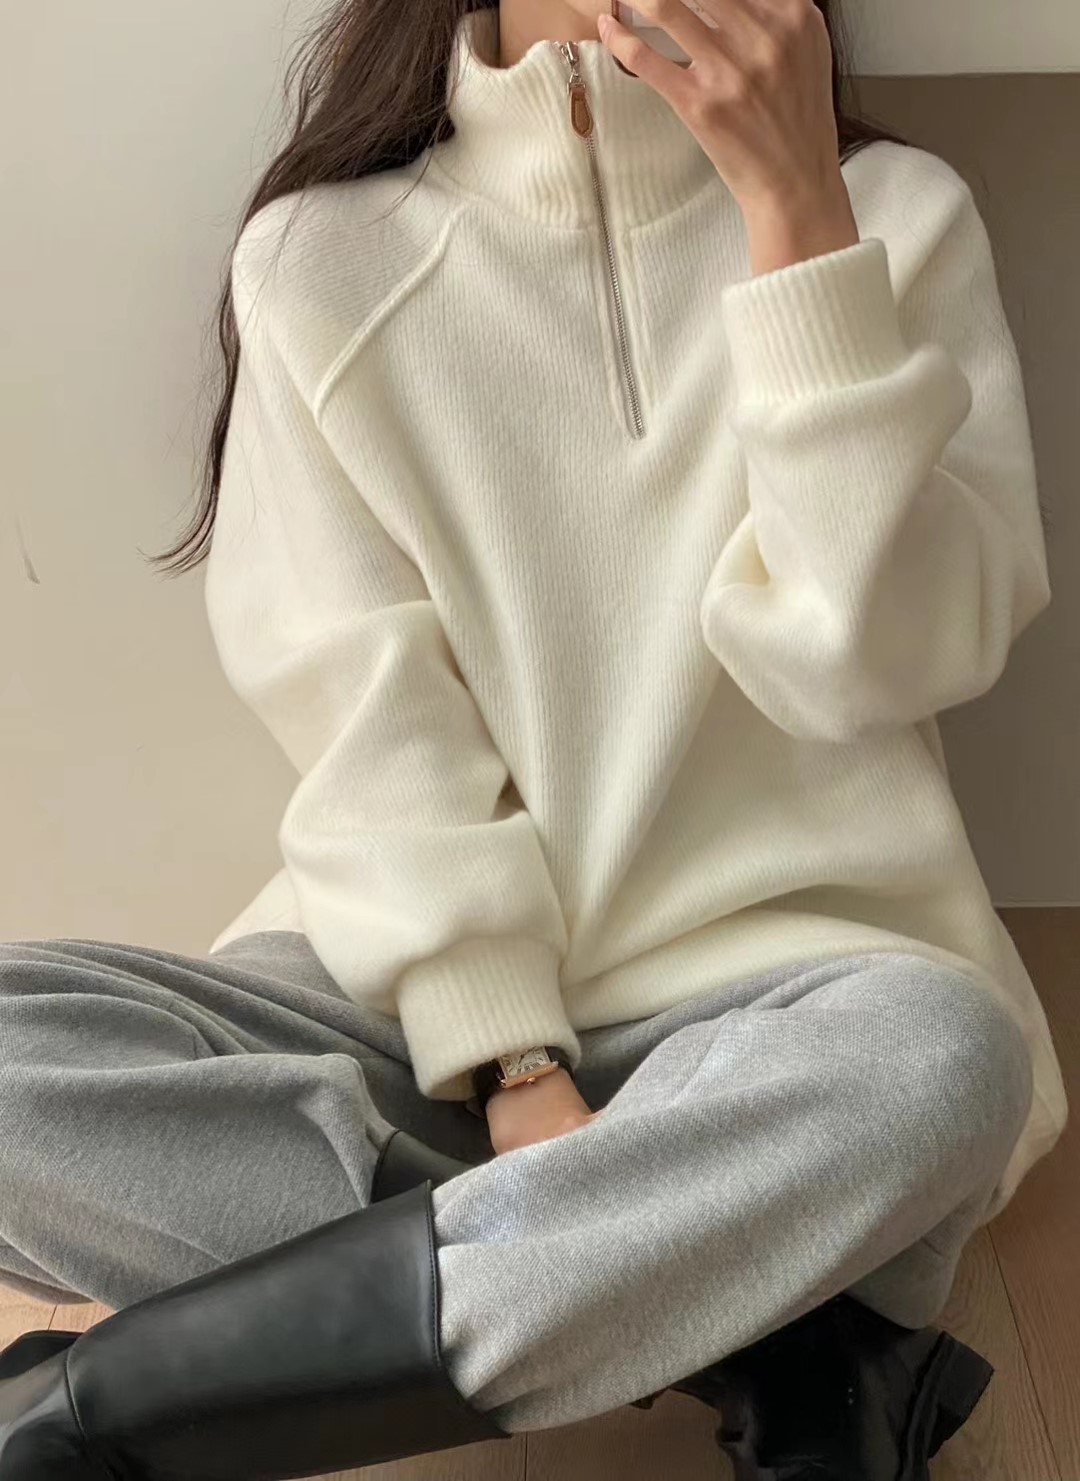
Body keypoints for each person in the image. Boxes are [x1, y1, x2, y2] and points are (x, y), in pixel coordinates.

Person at [0, 1, 1067, 1477]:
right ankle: (772, 1331)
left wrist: (798, 220)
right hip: (419, 1018)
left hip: (795, 1019)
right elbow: (374, 724)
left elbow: (868, 664)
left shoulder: (892, 215)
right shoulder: (322, 260)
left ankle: (115, 1407)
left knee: (946, 1060)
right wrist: (510, 1060)